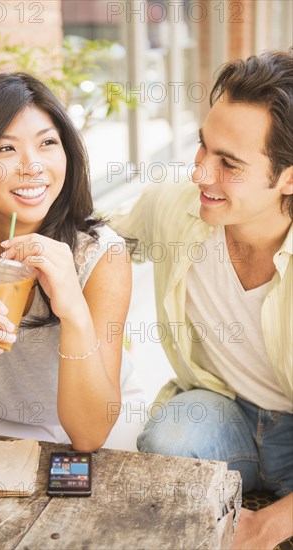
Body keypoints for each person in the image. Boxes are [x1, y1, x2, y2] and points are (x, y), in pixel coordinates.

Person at [110, 50, 293, 548]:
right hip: (228, 412)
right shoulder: (176, 208)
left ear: (288, 177)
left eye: (228, 163)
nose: (200, 174)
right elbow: (95, 241)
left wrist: (269, 526)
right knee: (170, 442)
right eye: (202, 148)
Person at [0, 72, 144, 452]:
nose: (32, 166)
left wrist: (73, 308)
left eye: (48, 142)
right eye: (5, 149)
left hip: (85, 423)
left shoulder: (100, 256)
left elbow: (89, 434)